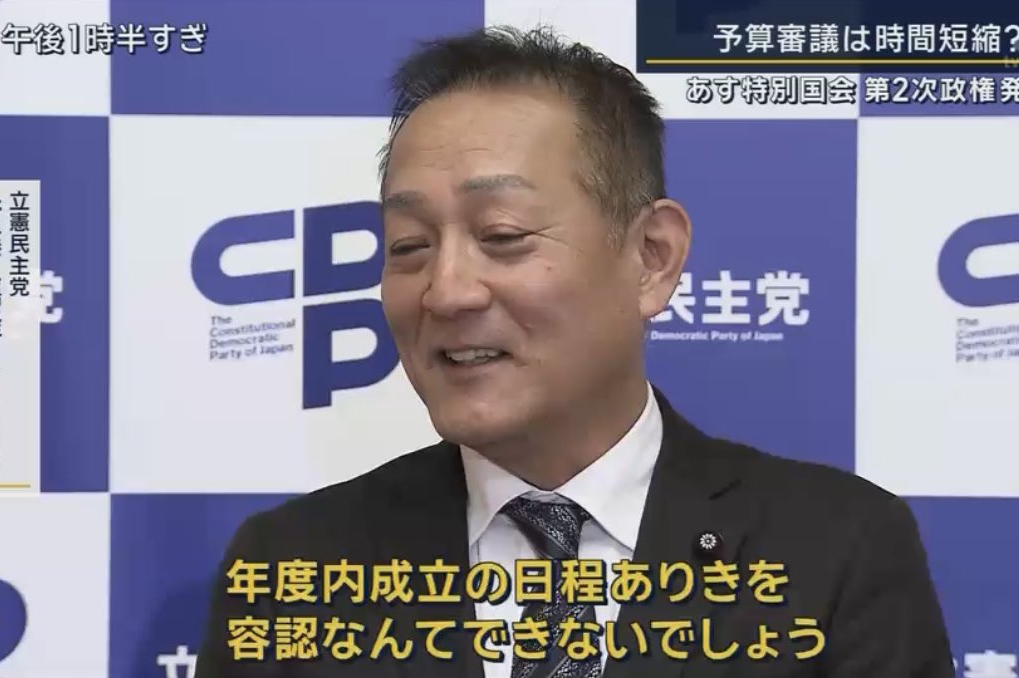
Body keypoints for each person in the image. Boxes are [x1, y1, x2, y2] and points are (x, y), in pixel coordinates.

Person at [197, 25, 955, 678]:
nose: (445, 292)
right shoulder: (291, 565)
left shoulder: (836, 548)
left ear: (652, 257)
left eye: (502, 236)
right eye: (409, 246)